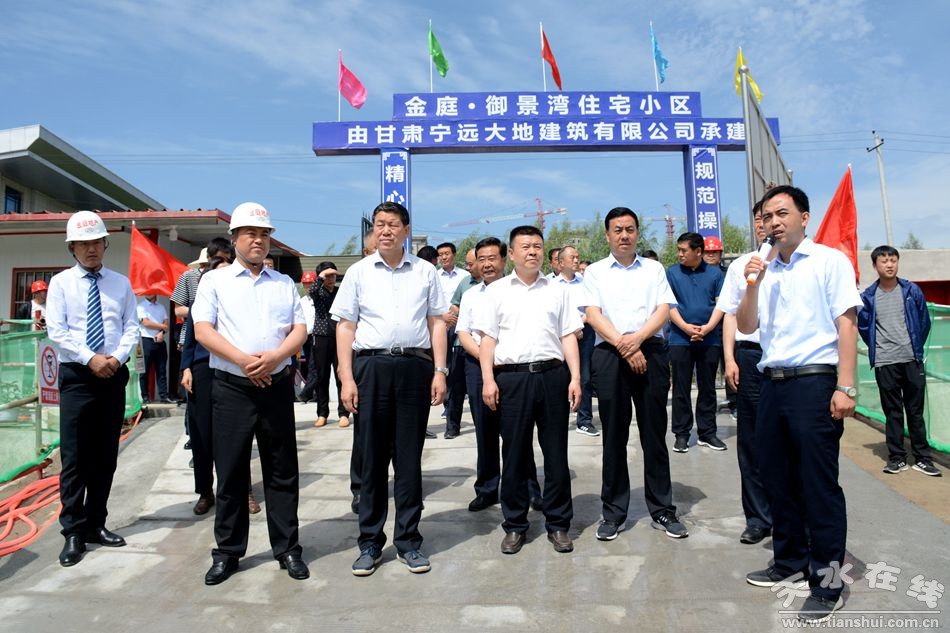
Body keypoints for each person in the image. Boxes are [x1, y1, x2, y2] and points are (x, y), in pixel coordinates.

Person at [738, 185, 861, 624]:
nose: (774, 223)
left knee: (818, 485)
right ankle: (789, 562)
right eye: (767, 216)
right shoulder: (763, 268)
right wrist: (752, 284)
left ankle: (827, 584)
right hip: (771, 383)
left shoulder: (828, 261)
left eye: (782, 213)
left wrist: (846, 387)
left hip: (814, 382)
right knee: (776, 479)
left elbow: (847, 325)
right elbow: (746, 325)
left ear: (804, 218)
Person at [192, 202, 309, 585]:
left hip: (275, 386)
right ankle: (228, 552)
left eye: (264, 234)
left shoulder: (283, 283)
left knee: (282, 471)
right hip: (232, 389)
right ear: (235, 239)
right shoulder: (215, 281)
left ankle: (288, 548)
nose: (258, 240)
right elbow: (203, 330)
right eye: (250, 234)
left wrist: (274, 357)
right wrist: (243, 361)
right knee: (230, 472)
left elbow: (298, 329)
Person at [332, 201, 448, 576]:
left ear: (406, 230)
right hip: (372, 367)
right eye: (380, 224)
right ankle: (369, 542)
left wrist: (440, 370)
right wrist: (347, 378)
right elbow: (345, 327)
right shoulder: (359, 272)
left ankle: (409, 541)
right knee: (372, 459)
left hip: (415, 366)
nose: (385, 230)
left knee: (409, 459)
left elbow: (437, 323)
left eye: (393, 224)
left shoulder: (425, 272)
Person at [582, 207, 689, 541]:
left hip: (651, 351)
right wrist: (624, 345)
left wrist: (638, 339)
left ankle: (662, 509)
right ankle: (613, 513)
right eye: (617, 230)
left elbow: (663, 310)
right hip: (609, 354)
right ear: (607, 235)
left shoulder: (654, 269)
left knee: (654, 434)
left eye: (629, 229)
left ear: (638, 233)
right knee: (614, 435)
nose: (624, 235)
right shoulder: (595, 272)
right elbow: (592, 314)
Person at [476, 225, 582, 555]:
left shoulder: (558, 290)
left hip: (552, 376)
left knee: (556, 453)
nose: (532, 251)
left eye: (537, 245)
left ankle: (559, 524)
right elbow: (487, 340)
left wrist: (575, 378)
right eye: (525, 246)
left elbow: (568, 336)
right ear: (512, 253)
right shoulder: (496, 292)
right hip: (512, 379)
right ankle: (515, 525)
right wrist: (488, 379)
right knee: (515, 455)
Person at [45, 211, 139, 567]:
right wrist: (91, 358)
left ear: (105, 244)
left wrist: (115, 358)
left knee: (105, 455)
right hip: (78, 376)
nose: (91, 249)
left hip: (113, 374)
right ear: (72, 247)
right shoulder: (60, 284)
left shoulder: (121, 284)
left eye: (96, 242)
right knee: (74, 457)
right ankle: (73, 530)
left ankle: (96, 523)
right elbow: (57, 331)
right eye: (83, 244)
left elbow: (130, 326)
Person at [457, 237, 541, 512]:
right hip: (477, 366)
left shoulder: (519, 289)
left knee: (519, 431)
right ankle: (487, 488)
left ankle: (530, 488)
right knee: (485, 430)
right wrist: (485, 357)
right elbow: (463, 333)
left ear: (505, 259)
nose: (487, 264)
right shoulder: (471, 295)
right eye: (481, 259)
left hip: (512, 370)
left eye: (492, 258)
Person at [715, 201, 773, 544]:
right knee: (751, 440)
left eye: (775, 216)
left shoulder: (803, 263)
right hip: (750, 356)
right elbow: (730, 314)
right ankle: (757, 517)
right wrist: (730, 359)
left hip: (789, 360)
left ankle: (793, 516)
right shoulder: (741, 266)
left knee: (789, 441)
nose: (765, 224)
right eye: (760, 218)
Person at [858, 246, 939, 476]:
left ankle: (923, 458)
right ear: (875, 266)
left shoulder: (911, 290)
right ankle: (897, 458)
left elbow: (923, 322)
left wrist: (914, 347)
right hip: (885, 361)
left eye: (893, 260)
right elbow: (864, 327)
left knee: (915, 411)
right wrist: (881, 348)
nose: (889, 265)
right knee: (892, 411)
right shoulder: (868, 296)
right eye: (884, 261)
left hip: (911, 359)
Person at [667, 232, 726, 452]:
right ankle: (681, 434)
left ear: (698, 251)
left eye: (684, 250)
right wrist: (685, 327)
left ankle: (707, 432)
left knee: (708, 387)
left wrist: (708, 328)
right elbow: (668, 305)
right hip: (680, 339)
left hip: (709, 338)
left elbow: (721, 304)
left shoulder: (715, 274)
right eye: (679, 250)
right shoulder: (672, 273)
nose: (680, 254)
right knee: (681, 387)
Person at [557, 245, 599, 437]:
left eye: (577, 257)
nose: (576, 260)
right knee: (560, 378)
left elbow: (593, 308)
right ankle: (558, 419)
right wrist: (570, 329)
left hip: (585, 332)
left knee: (584, 377)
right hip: (560, 336)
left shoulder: (585, 283)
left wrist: (578, 325)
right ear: (561, 262)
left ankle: (584, 420)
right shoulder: (551, 285)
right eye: (572, 257)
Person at [445, 249, 482, 439]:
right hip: (461, 344)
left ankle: (482, 426)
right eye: (466, 264)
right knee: (456, 388)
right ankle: (452, 426)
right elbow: (455, 305)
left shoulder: (499, 284)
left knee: (477, 392)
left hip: (485, 346)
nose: (467, 267)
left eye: (470, 264)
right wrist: (456, 313)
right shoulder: (465, 283)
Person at [307, 262, 349, 428]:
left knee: (342, 375)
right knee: (322, 377)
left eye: (333, 275)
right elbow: (311, 291)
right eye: (327, 275)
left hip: (340, 336)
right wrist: (321, 276)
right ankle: (322, 413)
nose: (331, 278)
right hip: (321, 337)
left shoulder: (341, 292)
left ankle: (343, 413)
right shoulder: (318, 292)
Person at [437, 242, 470, 439]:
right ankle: (447, 404)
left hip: (461, 327)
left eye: (447, 253)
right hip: (442, 325)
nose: (443, 257)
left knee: (458, 368)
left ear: (454, 255)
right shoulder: (434, 276)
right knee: (445, 367)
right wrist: (444, 318)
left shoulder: (464, 277)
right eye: (440, 254)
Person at [137, 295, 172, 404]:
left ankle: (163, 396)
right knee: (145, 371)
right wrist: (162, 326)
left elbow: (167, 325)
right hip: (146, 340)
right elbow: (146, 323)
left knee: (161, 370)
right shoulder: (140, 306)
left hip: (160, 341)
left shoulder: (161, 307)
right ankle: (145, 396)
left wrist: (161, 332)